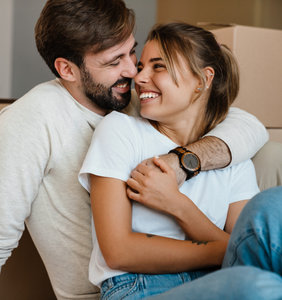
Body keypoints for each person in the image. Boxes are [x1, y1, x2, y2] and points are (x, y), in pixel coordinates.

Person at [0, 1, 269, 299]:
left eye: (132, 53)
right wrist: (229, 250)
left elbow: (248, 126)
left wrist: (183, 162)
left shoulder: (135, 101)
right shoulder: (31, 119)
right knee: (255, 283)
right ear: (68, 70)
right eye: (115, 61)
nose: (133, 72)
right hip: (117, 286)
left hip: (193, 273)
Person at [79, 22, 282, 300]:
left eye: (158, 66)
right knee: (253, 286)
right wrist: (220, 249)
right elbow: (118, 250)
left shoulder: (230, 155)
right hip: (140, 288)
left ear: (202, 80)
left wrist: (176, 204)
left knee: (274, 205)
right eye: (141, 67)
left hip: (222, 279)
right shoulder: (121, 131)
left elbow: (246, 249)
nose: (139, 78)